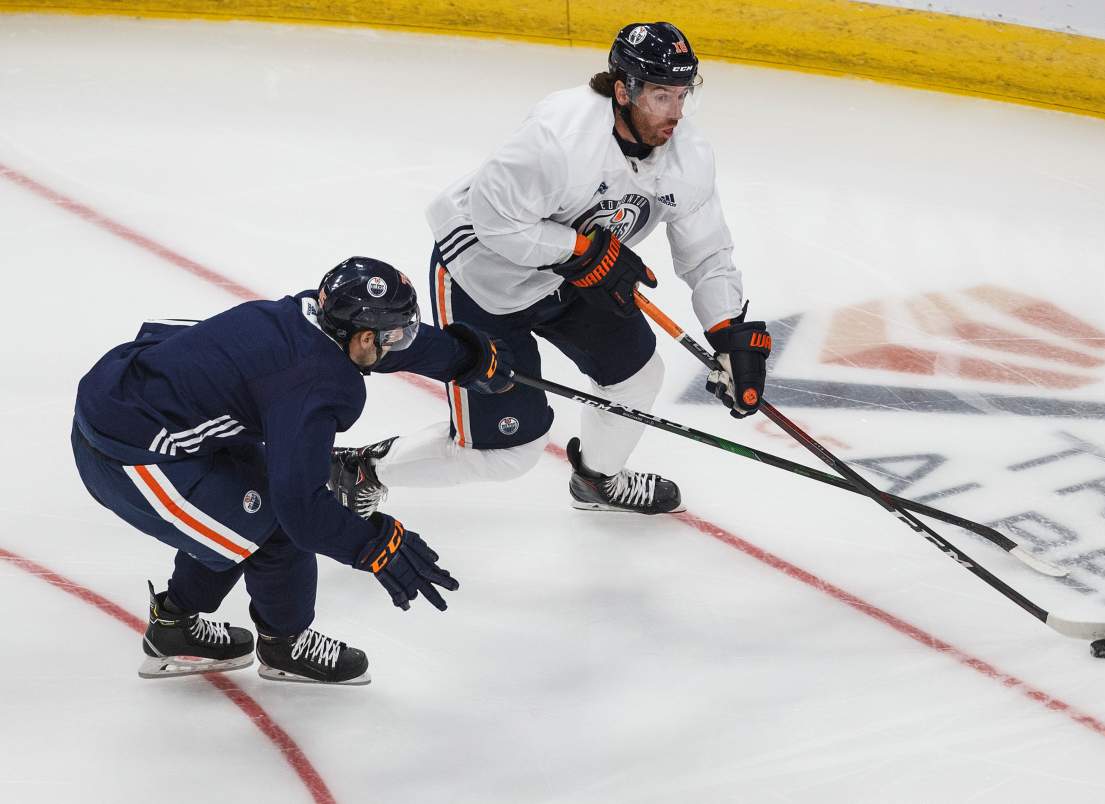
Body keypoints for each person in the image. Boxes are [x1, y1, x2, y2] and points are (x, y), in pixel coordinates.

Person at [332, 21, 772, 518]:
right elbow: (493, 220)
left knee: (637, 375)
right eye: (661, 97)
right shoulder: (559, 137)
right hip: (484, 277)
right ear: (624, 89)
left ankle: (597, 480)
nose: (675, 113)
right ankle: (364, 469)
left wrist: (727, 329)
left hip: (571, 276)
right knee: (506, 456)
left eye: (682, 95)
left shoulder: (686, 155)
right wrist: (582, 252)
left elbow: (707, 253)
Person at [71, 257, 512, 685]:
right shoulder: (313, 386)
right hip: (130, 455)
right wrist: (376, 545)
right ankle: (283, 646)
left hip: (144, 402)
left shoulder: (311, 317)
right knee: (274, 525)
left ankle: (174, 626)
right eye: (393, 335)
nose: (398, 343)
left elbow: (372, 350)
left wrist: (465, 359)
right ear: (361, 338)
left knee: (246, 506)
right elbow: (300, 509)